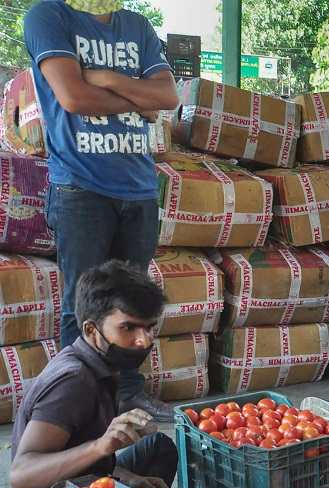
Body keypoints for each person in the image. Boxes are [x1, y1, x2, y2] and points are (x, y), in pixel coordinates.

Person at [23, 0, 179, 422]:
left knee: (134, 305)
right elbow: (73, 97)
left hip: (140, 189)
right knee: (83, 304)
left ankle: (127, 394)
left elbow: (166, 96)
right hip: (80, 187)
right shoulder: (49, 16)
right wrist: (135, 97)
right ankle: (78, 405)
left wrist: (107, 78)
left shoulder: (137, 25)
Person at [10, 260, 176, 488]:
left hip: (87, 479)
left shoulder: (101, 364)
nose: (144, 341)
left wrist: (127, 478)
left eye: (149, 327)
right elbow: (21, 476)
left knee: (160, 446)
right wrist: (100, 446)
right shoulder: (74, 382)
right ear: (91, 330)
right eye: (128, 328)